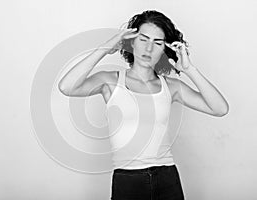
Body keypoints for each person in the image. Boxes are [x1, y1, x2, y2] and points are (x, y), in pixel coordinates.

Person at [58, 10, 229, 200]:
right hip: (127, 180)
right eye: (143, 39)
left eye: (157, 43)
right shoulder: (110, 81)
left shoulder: (171, 87)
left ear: (165, 49)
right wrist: (106, 48)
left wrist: (189, 69)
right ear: (131, 41)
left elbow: (220, 109)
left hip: (167, 178)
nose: (148, 49)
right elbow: (66, 87)